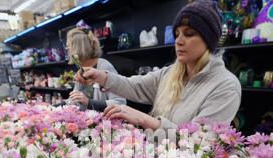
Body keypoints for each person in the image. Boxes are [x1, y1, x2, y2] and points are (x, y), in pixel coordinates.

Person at [74, 0, 241, 131]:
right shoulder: (170, 74)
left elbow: (199, 141)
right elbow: (135, 86)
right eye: (177, 34)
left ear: (209, 40)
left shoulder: (225, 86)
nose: (179, 41)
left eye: (189, 34)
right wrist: (101, 76)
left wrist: (144, 119)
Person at [65, 27, 126, 111]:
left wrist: (88, 102)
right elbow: (74, 101)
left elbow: (120, 102)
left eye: (68, 47)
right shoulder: (82, 70)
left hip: (106, 122)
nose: (67, 51)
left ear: (78, 49)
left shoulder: (104, 67)